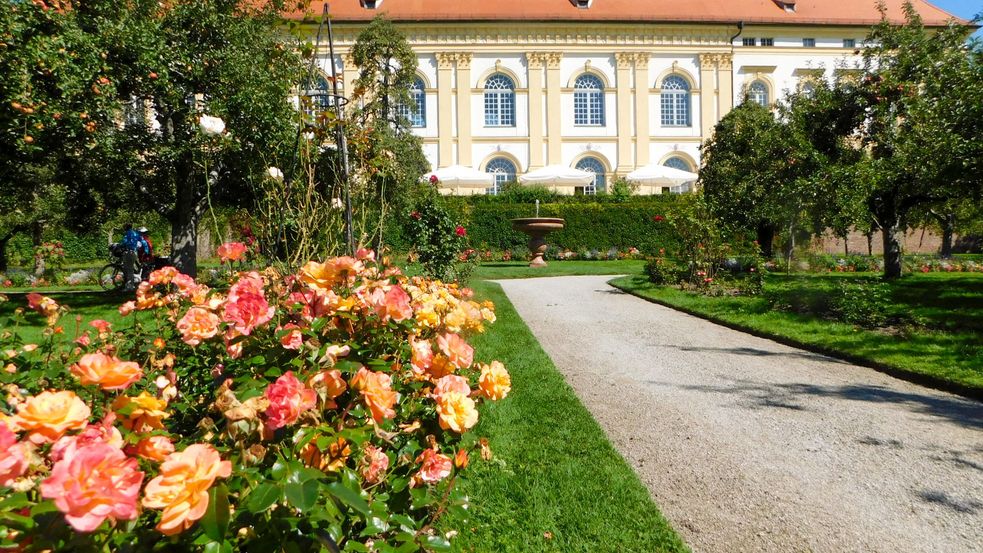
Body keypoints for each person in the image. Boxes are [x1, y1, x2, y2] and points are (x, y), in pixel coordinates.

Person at [118, 224, 148, 291]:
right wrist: (146, 250)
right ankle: (129, 285)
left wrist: (120, 245)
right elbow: (143, 241)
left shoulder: (128, 233)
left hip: (128, 252)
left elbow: (124, 242)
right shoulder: (135, 233)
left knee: (128, 270)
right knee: (129, 269)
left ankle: (130, 286)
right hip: (134, 252)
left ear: (126, 227)